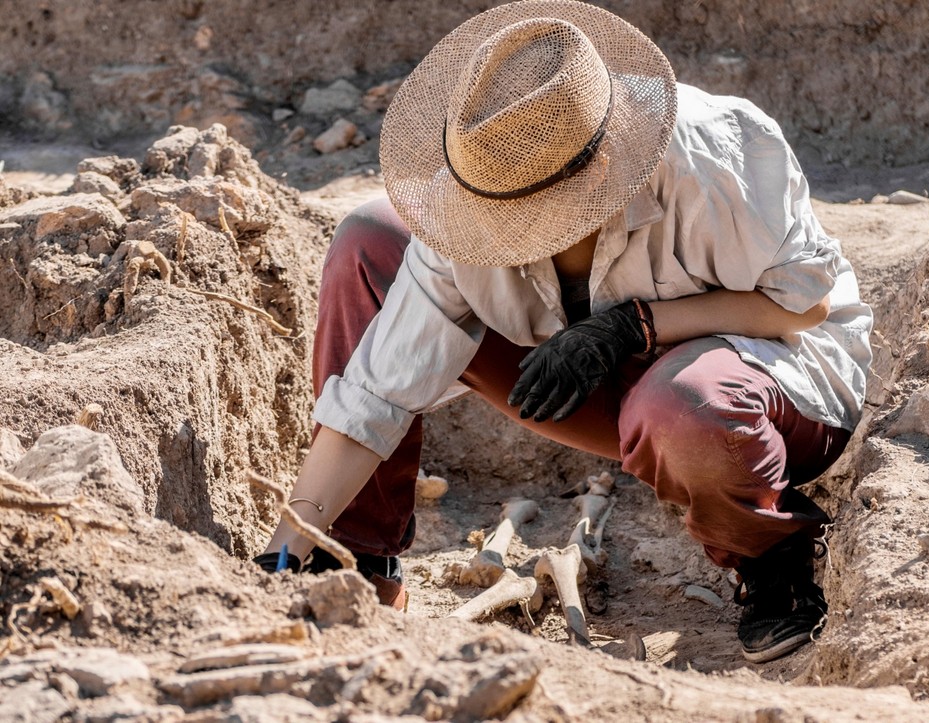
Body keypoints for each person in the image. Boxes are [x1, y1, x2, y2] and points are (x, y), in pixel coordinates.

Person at [254, 0, 872, 664]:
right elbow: (375, 389)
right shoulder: (476, 188)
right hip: (602, 386)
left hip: (773, 383)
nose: (497, 235)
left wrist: (634, 327)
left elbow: (803, 306)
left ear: (599, 171)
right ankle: (354, 560)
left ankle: (772, 551)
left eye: (527, 215)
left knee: (681, 403)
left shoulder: (718, 155)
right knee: (370, 240)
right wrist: (291, 545)